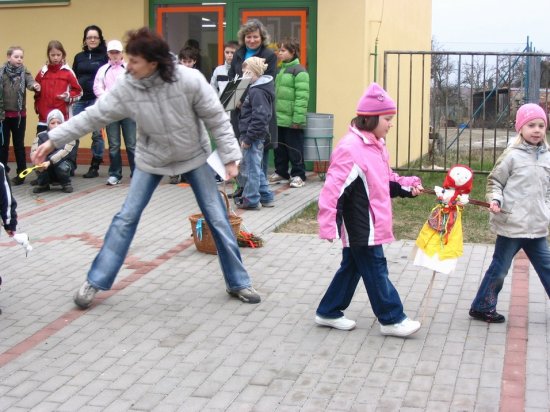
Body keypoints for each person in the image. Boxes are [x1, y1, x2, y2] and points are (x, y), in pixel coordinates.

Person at [31, 27, 261, 309]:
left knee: (217, 217)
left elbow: (216, 118)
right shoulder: (129, 86)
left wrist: (229, 158)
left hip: (193, 155)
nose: (129, 65)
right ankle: (95, 280)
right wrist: (54, 138)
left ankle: (239, 282)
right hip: (152, 159)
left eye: (135, 60)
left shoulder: (188, 80)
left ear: (153, 62)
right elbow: (94, 116)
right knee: (126, 217)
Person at [315, 82, 424, 337]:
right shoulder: (350, 149)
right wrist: (328, 223)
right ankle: (392, 318)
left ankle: (328, 310)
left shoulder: (376, 144)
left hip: (372, 222)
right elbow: (333, 191)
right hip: (361, 225)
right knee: (376, 268)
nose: (391, 123)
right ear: (371, 118)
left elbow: (383, 180)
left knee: (352, 267)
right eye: (387, 118)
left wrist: (406, 187)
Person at [469, 103, 550, 323]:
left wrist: (547, 209)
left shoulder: (547, 157)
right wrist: (495, 199)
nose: (536, 130)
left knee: (547, 267)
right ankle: (482, 306)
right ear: (520, 128)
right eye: (531, 125)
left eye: (541, 125)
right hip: (511, 225)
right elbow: (495, 182)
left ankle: (481, 305)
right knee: (500, 269)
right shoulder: (511, 156)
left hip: (537, 226)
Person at [228, 19, 278, 179]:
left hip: (257, 107)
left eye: (255, 36)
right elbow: (232, 78)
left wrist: (245, 100)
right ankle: (242, 188)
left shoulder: (269, 55)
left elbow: (266, 81)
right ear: (243, 38)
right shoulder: (238, 53)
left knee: (258, 151)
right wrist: (233, 99)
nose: (252, 40)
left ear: (262, 37)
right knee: (241, 151)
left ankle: (258, 191)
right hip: (239, 110)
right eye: (248, 36)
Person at [234, 57, 275, 210]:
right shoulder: (258, 88)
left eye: (246, 72)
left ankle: (251, 200)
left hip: (253, 136)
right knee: (254, 167)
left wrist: (248, 138)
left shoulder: (257, 91)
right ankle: (265, 196)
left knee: (250, 169)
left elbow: (259, 117)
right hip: (255, 135)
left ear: (254, 72)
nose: (244, 75)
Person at [93, 40, 136, 186]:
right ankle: (115, 174)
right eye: (112, 52)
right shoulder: (103, 69)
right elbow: (97, 87)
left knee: (131, 144)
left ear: (122, 53)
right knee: (114, 145)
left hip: (127, 111)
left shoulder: (129, 68)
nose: (115, 55)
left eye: (117, 52)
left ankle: (136, 173)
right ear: (108, 54)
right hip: (111, 111)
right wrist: (107, 98)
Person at [271, 38, 310, 189]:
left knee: (294, 149)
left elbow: (302, 97)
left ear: (292, 52)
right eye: (279, 50)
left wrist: (298, 119)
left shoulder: (299, 71)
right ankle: (281, 172)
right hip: (279, 118)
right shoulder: (280, 70)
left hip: (292, 120)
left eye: (283, 50)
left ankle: (298, 175)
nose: (279, 53)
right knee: (279, 148)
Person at [0, 46, 41, 185]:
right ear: (8, 57)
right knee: (3, 145)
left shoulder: (24, 72)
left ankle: (21, 173)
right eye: (16, 57)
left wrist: (35, 85)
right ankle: (2, 172)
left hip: (19, 116)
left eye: (21, 57)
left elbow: (30, 82)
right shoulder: (2, 72)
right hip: (3, 116)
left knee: (18, 145)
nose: (19, 59)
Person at [72, 25, 108, 178]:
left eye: (95, 37)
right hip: (80, 99)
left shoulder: (105, 56)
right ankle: (70, 164)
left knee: (97, 135)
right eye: (89, 37)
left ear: (100, 39)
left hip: (96, 100)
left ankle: (95, 165)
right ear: (85, 40)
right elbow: (73, 77)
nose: (92, 40)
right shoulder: (79, 57)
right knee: (73, 133)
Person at [34, 41, 82, 132]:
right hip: (44, 119)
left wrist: (67, 96)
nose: (55, 58)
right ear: (48, 55)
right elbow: (36, 90)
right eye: (52, 55)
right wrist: (36, 89)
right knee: (42, 143)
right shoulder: (42, 72)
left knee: (61, 146)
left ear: (63, 55)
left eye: (58, 55)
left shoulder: (68, 72)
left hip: (62, 118)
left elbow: (79, 92)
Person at [30, 109, 76, 194]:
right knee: (37, 163)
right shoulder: (40, 136)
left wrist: (49, 161)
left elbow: (63, 152)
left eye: (59, 123)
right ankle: (43, 184)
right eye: (52, 123)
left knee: (63, 166)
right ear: (48, 124)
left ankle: (66, 184)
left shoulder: (69, 136)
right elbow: (34, 151)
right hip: (47, 164)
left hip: (62, 162)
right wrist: (38, 161)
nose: (56, 125)